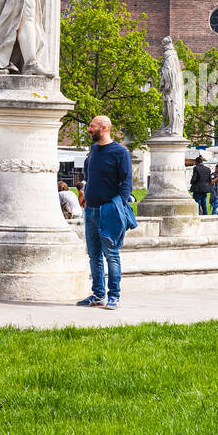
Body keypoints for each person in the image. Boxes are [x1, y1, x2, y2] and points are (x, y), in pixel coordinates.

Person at [78, 114, 135, 310]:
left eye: (92, 126)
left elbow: (127, 183)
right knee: (94, 255)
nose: (88, 129)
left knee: (111, 254)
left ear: (103, 128)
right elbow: (88, 172)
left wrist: (117, 205)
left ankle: (114, 296)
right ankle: (98, 294)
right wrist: (85, 192)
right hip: (90, 210)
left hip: (108, 211)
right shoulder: (93, 150)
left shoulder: (120, 152)